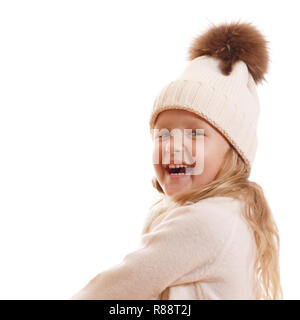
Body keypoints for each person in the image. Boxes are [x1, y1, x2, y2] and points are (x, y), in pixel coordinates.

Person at [71, 20, 283, 300]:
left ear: (234, 153)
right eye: (163, 134)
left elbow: (109, 292)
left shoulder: (206, 220)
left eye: (195, 134)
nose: (173, 145)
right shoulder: (234, 213)